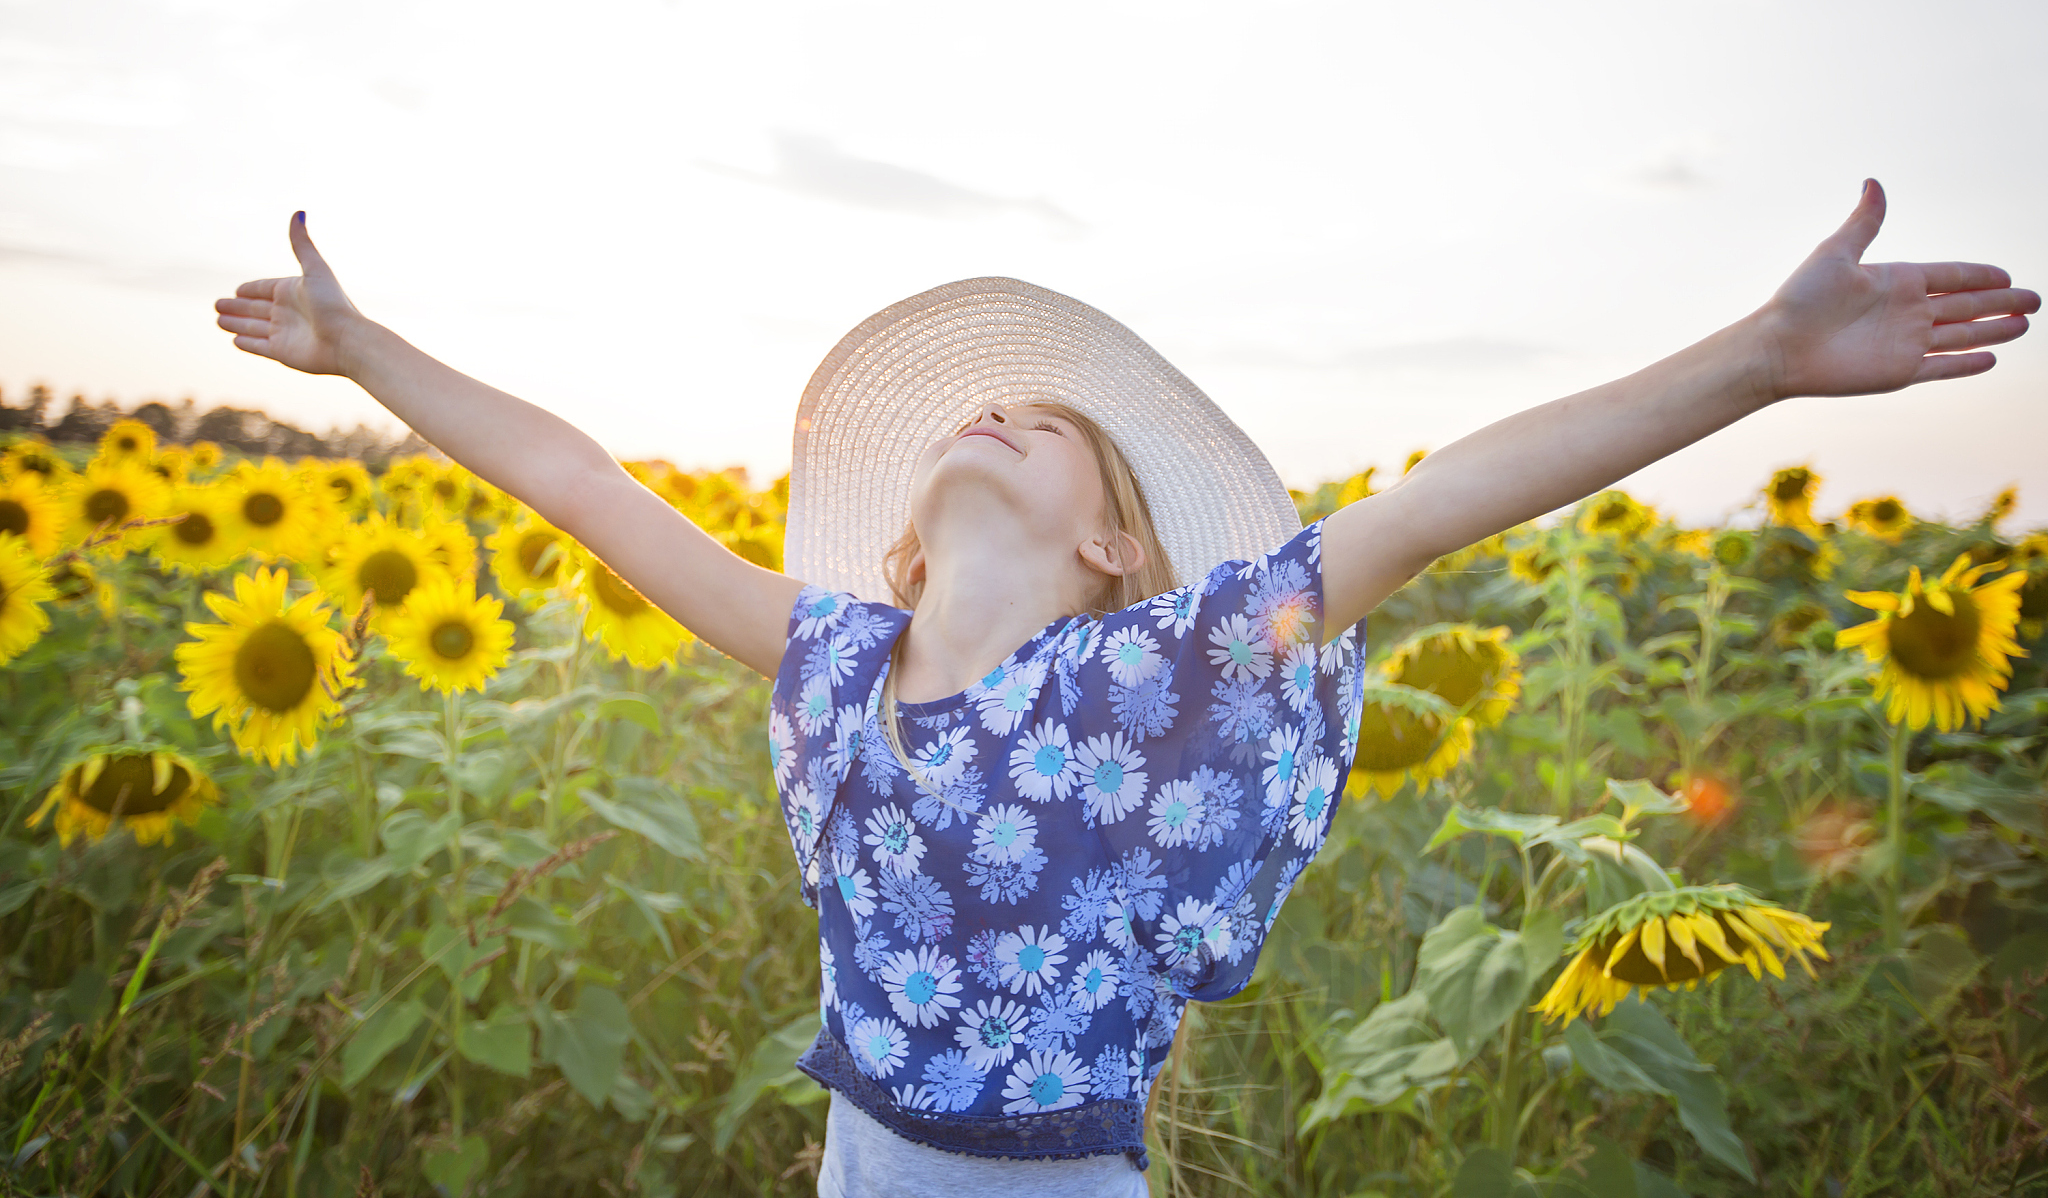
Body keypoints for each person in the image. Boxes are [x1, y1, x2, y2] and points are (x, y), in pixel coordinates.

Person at [216, 182, 2033, 1196]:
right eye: (974, 409)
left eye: (1054, 423)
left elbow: (1448, 496)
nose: (993, 408)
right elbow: (580, 482)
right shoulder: (831, 657)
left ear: (1113, 550)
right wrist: (362, 348)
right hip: (857, 1169)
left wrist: (1766, 360)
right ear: (908, 548)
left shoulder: (1155, 673)